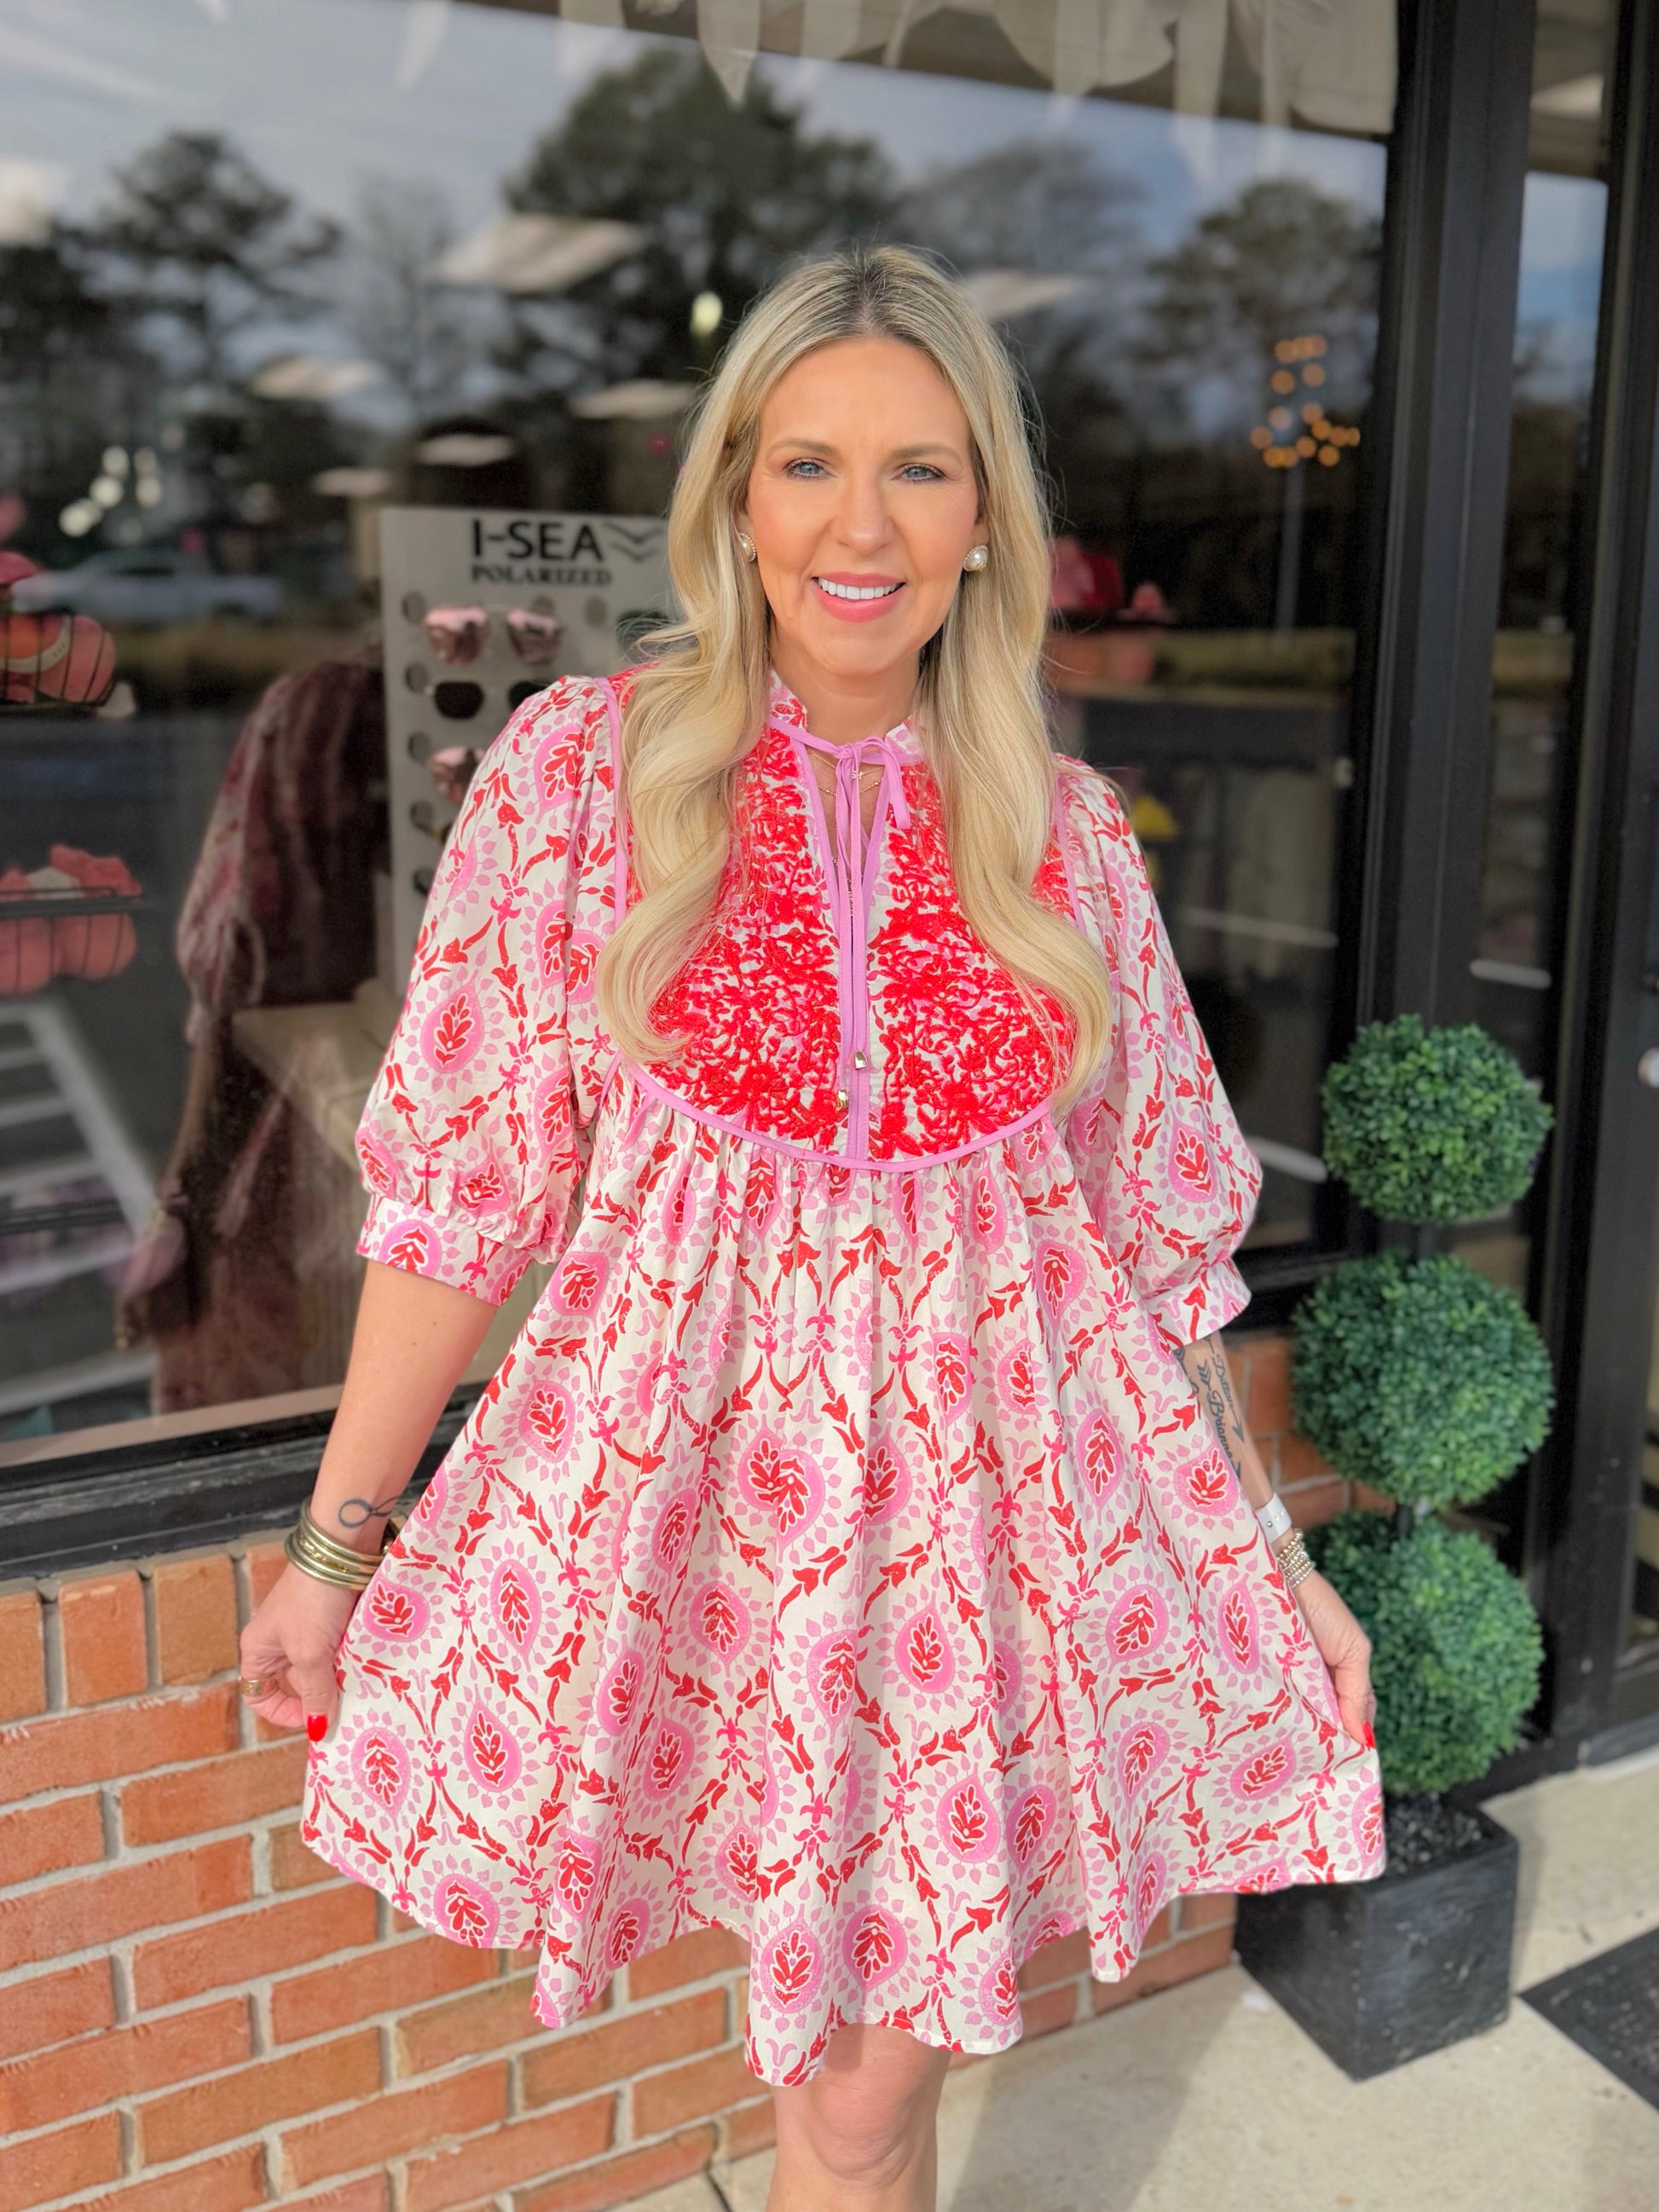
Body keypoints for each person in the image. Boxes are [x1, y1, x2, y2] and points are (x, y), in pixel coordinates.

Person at [240, 246, 1381, 2212]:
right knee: (837, 2103)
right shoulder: (580, 774)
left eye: (920, 469)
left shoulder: (1067, 832)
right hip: (702, 1536)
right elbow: (457, 1201)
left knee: (859, 2105)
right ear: (736, 501)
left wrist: (1274, 1561)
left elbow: (1152, 1255)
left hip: (981, 1556)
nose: (862, 526)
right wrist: (337, 1546)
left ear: (986, 517)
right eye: (808, 465)